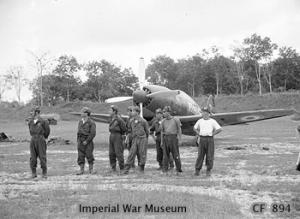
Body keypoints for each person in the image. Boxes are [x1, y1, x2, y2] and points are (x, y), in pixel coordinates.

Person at [193, 107, 222, 177]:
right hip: (202, 139)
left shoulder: (213, 121)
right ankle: (197, 170)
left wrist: (213, 134)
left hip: (210, 139)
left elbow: (219, 129)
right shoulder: (200, 121)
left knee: (210, 156)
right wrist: (198, 133)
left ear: (209, 114)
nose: (204, 114)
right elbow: (194, 128)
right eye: (203, 112)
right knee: (200, 155)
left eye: (206, 112)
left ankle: (208, 170)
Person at [123, 106, 149, 174]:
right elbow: (130, 130)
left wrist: (145, 139)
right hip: (135, 139)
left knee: (142, 154)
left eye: (133, 111)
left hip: (142, 139)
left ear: (137, 112)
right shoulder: (131, 121)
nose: (132, 112)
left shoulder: (143, 121)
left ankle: (141, 168)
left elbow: (147, 132)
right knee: (131, 154)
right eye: (132, 111)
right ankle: (126, 169)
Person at [28, 106, 50, 178]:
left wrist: (43, 138)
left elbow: (47, 131)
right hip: (33, 139)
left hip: (41, 139)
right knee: (33, 157)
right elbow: (30, 130)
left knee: (42, 156)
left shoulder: (43, 121)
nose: (31, 113)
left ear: (36, 112)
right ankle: (33, 173)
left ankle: (44, 172)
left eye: (32, 111)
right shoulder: (30, 121)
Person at [161, 106, 183, 175]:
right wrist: (162, 141)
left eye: (164, 112)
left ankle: (178, 169)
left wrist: (180, 139)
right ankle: (165, 170)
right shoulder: (163, 121)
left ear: (169, 112)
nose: (163, 113)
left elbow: (179, 129)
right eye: (163, 112)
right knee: (165, 155)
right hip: (166, 138)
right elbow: (162, 131)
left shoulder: (175, 119)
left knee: (176, 154)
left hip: (173, 138)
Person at [76, 107, 96, 175]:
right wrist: (78, 141)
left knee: (89, 155)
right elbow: (78, 132)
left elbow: (93, 133)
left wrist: (87, 141)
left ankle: (91, 170)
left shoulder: (91, 122)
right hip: (80, 141)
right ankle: (81, 170)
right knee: (80, 156)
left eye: (82, 112)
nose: (81, 113)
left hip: (88, 142)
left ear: (86, 113)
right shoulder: (80, 121)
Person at [109, 105, 127, 172]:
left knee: (118, 152)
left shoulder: (119, 119)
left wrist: (121, 135)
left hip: (117, 136)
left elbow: (124, 128)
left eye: (110, 110)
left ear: (114, 111)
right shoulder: (111, 118)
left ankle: (122, 168)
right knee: (111, 153)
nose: (109, 111)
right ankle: (113, 167)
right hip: (111, 135)